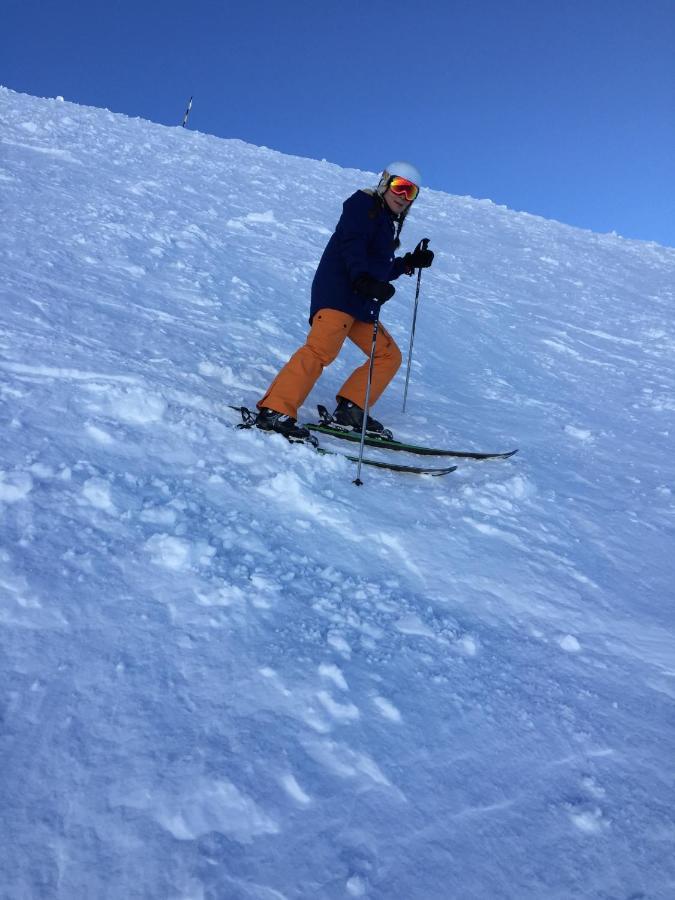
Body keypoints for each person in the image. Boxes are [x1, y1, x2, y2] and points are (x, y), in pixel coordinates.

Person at [255, 161, 434, 440]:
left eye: (411, 193)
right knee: (319, 351)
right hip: (339, 295)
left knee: (389, 355)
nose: (403, 196)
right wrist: (362, 278)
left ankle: (351, 409)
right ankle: (274, 410)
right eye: (400, 187)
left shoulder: (386, 224)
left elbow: (378, 268)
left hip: (360, 305)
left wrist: (409, 263)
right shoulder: (363, 205)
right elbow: (352, 244)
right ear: (386, 183)